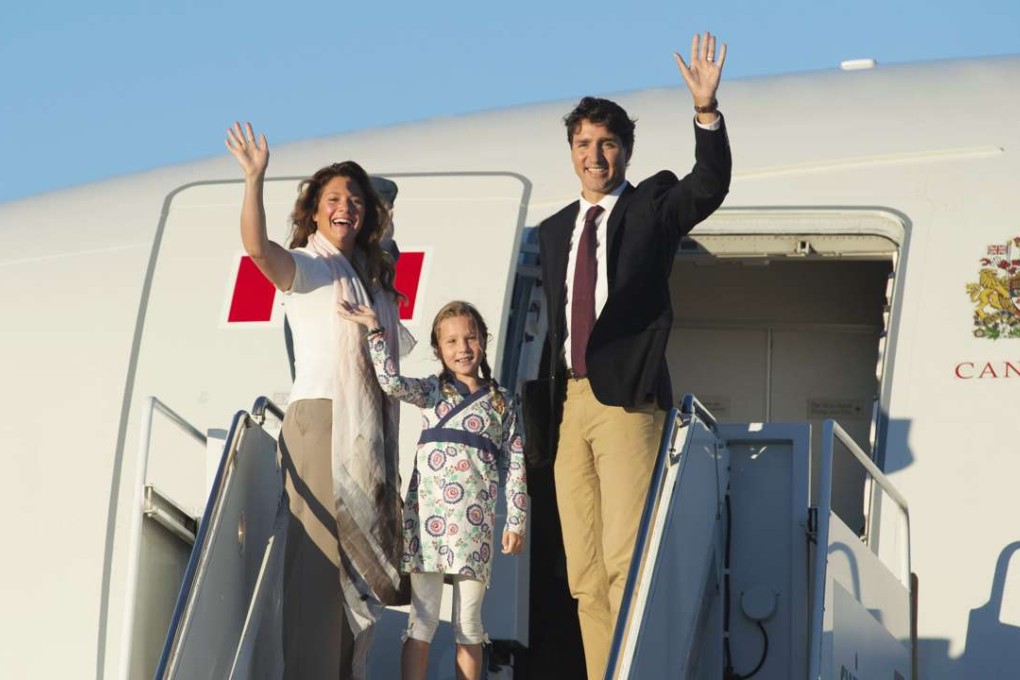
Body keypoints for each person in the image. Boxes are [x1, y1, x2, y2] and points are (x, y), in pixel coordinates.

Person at [535, 33, 732, 678]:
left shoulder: (651, 205)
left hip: (626, 400)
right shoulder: (556, 227)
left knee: (625, 560)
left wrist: (706, 112)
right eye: (584, 145)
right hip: (571, 404)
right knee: (583, 575)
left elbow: (708, 185)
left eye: (608, 144)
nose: (595, 156)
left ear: (625, 151)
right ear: (571, 152)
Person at [225, 122, 408, 679]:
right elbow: (257, 248)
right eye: (333, 198)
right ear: (314, 211)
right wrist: (254, 179)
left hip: (366, 431)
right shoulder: (309, 266)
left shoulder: (372, 282)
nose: (345, 206)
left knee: (351, 584)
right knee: (318, 572)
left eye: (355, 199)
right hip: (322, 423)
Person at [339, 300, 528, 680]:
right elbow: (390, 382)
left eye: (471, 338)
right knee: (422, 620)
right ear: (438, 350)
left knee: (470, 624)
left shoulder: (501, 401)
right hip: (428, 521)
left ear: (484, 342)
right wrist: (375, 329)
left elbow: (516, 462)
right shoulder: (431, 392)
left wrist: (516, 521)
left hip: (475, 526)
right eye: (452, 341)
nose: (463, 348)